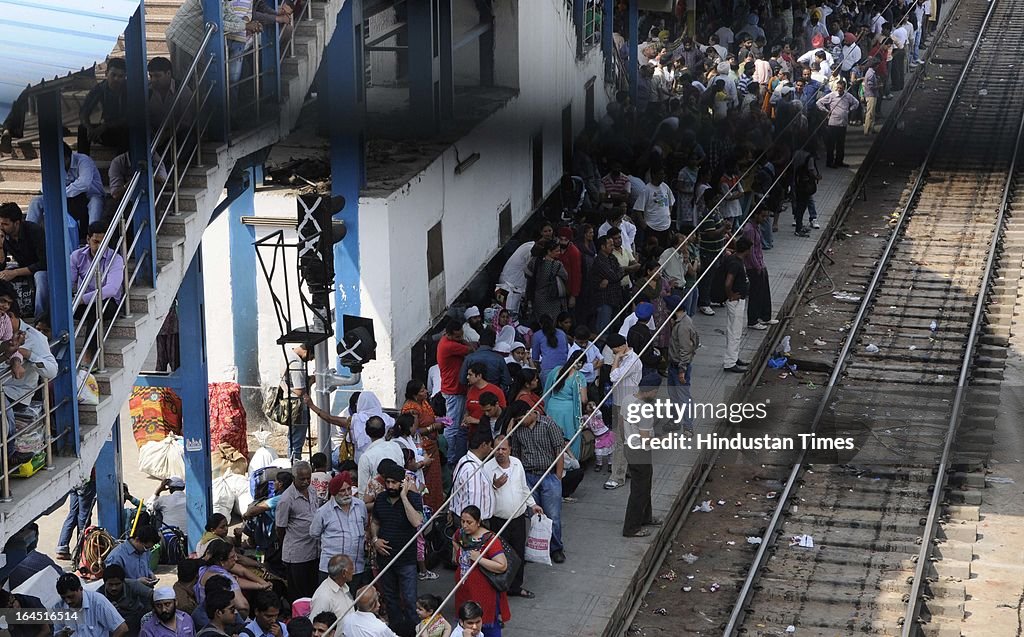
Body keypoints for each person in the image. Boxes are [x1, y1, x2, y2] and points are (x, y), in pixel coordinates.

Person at [484, 434, 543, 599]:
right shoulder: (487, 469)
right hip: (498, 521)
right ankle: (500, 589)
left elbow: (524, 488)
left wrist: (533, 505)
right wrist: (494, 486)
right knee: (500, 556)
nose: (500, 452)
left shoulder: (517, 464)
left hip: (517, 518)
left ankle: (516, 587)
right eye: (497, 449)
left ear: (510, 449)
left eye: (503, 448)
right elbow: (483, 496)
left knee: (518, 554)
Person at [506, 401, 565, 563]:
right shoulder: (518, 430)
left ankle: (556, 548)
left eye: (520, 418)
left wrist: (557, 477)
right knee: (533, 516)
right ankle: (536, 548)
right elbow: (516, 455)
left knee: (553, 516)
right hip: (528, 476)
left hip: (549, 475)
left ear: (530, 412)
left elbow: (559, 451)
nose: (519, 422)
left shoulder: (548, 424)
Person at [369, 462, 423, 634]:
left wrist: (405, 496)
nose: (390, 486)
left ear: (402, 482)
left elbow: (416, 522)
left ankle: (415, 631)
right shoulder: (381, 499)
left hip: (406, 559)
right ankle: (396, 631)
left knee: (409, 599)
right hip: (385, 558)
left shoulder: (413, 498)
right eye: (388, 482)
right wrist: (375, 539)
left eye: (394, 482)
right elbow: (375, 522)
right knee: (391, 599)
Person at [452, 506, 511, 637]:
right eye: (462, 521)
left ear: (478, 522)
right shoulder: (460, 534)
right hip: (464, 590)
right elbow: (454, 539)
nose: (465, 525)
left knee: (487, 625)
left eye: (469, 522)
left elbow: (502, 565)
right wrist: (458, 555)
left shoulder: (490, 540)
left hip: (484, 592)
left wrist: (478, 558)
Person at [27, 143, 106, 238]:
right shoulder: (55, 165)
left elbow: (84, 184)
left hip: (89, 197)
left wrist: (60, 193)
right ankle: (28, 234)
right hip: (68, 199)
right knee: (37, 201)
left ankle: (93, 237)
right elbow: (45, 187)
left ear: (66, 158)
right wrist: (57, 193)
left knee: (95, 202)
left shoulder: (84, 160)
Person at [622, 372, 664, 537]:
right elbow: (646, 439)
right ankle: (631, 527)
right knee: (639, 490)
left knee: (644, 485)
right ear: (651, 391)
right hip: (640, 452)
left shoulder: (627, 399)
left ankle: (646, 516)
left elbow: (621, 421)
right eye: (655, 391)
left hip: (629, 446)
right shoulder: (644, 409)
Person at [309, 472, 367, 583]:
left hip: (356, 569)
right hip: (331, 572)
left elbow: (364, 526)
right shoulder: (324, 511)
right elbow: (314, 533)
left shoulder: (360, 506)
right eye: (342, 491)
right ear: (334, 493)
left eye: (349, 489)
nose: (347, 493)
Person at [276, 460, 320, 599]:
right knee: (299, 595)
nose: (306, 482)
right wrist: (285, 545)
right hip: (297, 554)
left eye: (308, 478)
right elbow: (280, 528)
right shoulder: (287, 499)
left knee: (313, 591)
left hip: (314, 550)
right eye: (302, 479)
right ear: (294, 478)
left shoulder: (312, 491)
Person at [400, 379, 445, 511]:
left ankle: (436, 508)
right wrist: (432, 427)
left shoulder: (424, 402)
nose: (426, 391)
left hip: (432, 446)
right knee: (424, 480)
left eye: (425, 388)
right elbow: (413, 430)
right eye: (422, 390)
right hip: (421, 448)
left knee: (434, 480)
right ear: (414, 394)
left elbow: (429, 416)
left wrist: (439, 420)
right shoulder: (411, 408)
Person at [605, 333, 641, 491]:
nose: (614, 354)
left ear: (621, 347)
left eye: (614, 351)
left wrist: (616, 360)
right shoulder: (624, 359)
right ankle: (629, 470)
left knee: (622, 441)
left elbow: (614, 377)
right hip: (620, 403)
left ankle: (617, 477)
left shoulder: (632, 360)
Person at [0, 202, 48, 318]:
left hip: (41, 269)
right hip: (23, 268)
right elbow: (1, 265)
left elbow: (43, 263)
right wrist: (0, 246)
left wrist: (15, 272)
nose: (1, 227)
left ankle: (39, 318)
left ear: (16, 223)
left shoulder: (34, 231)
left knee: (40, 277)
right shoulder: (4, 235)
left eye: (5, 224)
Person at [437, 319, 474, 467]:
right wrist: (464, 341)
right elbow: (471, 349)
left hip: (451, 389)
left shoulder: (446, 341)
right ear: (449, 335)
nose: (460, 339)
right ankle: (450, 458)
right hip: (454, 391)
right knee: (452, 427)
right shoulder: (449, 346)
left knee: (450, 423)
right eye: (457, 337)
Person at [78, 58, 129, 155]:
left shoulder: (128, 89)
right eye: (113, 75)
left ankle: (120, 165)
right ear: (106, 74)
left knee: (128, 130)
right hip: (107, 130)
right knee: (82, 129)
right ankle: (83, 161)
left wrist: (105, 126)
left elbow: (128, 117)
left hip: (123, 131)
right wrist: (89, 128)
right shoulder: (100, 88)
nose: (116, 79)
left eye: (120, 76)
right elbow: (84, 111)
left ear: (125, 77)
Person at [54, 572, 128, 637]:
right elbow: (56, 633)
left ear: (80, 589)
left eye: (71, 597)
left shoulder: (98, 601)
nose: (68, 601)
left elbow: (122, 628)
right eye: (64, 598)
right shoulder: (58, 607)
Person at [543, 350, 588, 458]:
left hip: (552, 407)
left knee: (550, 435)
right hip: (568, 411)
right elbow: (583, 399)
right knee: (569, 437)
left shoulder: (556, 370)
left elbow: (547, 390)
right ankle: (569, 462)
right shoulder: (579, 377)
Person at [665, 295, 699, 435]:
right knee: (674, 395)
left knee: (683, 396)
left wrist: (682, 370)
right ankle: (675, 421)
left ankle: (688, 426)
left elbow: (685, 350)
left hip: (679, 367)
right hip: (674, 365)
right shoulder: (681, 322)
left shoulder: (683, 327)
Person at [451, 429, 496, 524]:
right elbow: (474, 499)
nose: (491, 449)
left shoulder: (463, 460)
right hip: (474, 523)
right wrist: (475, 525)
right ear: (483, 445)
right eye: (490, 445)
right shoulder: (473, 469)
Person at [723, 237, 753, 373]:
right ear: (746, 250)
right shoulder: (736, 264)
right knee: (735, 331)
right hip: (735, 301)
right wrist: (731, 295)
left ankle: (734, 357)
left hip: (737, 300)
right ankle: (730, 362)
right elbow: (728, 282)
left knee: (735, 330)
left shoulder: (734, 259)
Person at [280, 342, 314, 460]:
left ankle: (293, 463)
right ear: (307, 351)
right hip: (298, 406)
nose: (310, 360)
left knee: (293, 438)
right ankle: (295, 466)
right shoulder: (296, 363)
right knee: (297, 442)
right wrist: (312, 381)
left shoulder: (288, 354)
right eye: (311, 357)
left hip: (291, 403)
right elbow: (299, 391)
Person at [816, 79, 861, 168]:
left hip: (843, 123)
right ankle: (830, 162)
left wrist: (850, 110)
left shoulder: (848, 96)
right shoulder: (832, 95)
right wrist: (826, 111)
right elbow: (819, 102)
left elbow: (856, 103)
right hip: (833, 123)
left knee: (841, 144)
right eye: (838, 88)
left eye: (841, 88)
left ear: (844, 88)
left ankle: (839, 161)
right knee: (831, 144)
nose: (839, 90)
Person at [356, 416, 404, 495]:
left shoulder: (366, 457)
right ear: (384, 429)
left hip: (378, 503)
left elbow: (362, 492)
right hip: (399, 498)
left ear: (367, 432)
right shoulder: (396, 447)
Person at [463, 365, 506, 439]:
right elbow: (468, 409)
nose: (467, 377)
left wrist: (478, 421)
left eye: (470, 375)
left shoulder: (496, 391)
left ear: (479, 375)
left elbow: (503, 415)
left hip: (489, 435)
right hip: (472, 434)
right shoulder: (470, 390)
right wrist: (466, 419)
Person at [309, 554, 355, 623]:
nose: (353, 572)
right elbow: (315, 624)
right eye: (351, 569)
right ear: (344, 573)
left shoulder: (344, 587)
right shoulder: (324, 597)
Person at [530, 314, 568, 380]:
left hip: (547, 370)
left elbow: (535, 358)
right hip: (564, 369)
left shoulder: (537, 335)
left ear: (540, 324)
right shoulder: (562, 333)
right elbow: (566, 351)